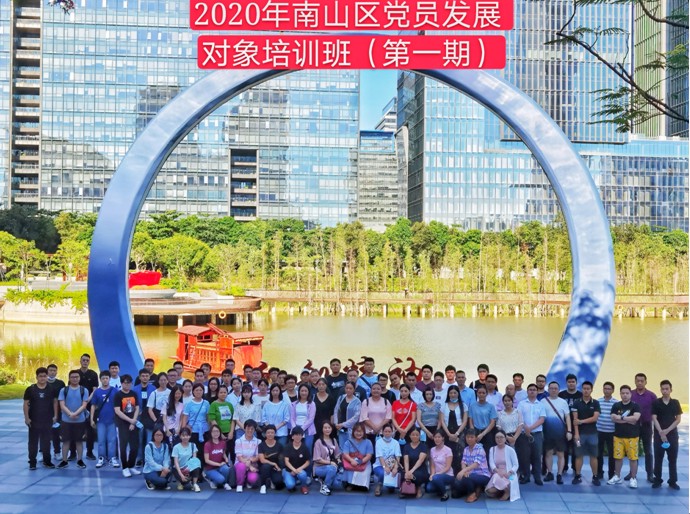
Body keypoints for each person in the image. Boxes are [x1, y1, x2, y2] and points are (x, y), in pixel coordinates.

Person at [23, 367, 58, 470]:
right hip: (34, 420)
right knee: (33, 442)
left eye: (44, 376)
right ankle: (32, 462)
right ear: (36, 377)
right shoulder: (31, 389)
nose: (42, 378)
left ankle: (47, 461)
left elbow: (55, 402)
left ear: (47, 376)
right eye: (40, 376)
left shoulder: (51, 389)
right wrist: (27, 418)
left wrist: (55, 415)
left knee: (46, 441)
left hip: (47, 419)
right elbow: (26, 404)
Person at [607, 385, 641, 488]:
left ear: (630, 394)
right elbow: (613, 418)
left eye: (627, 393)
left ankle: (633, 478)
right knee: (618, 457)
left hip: (632, 437)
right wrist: (628, 420)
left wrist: (621, 418)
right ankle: (617, 476)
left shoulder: (635, 406)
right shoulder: (616, 405)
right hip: (618, 436)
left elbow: (635, 419)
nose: (625, 395)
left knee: (633, 458)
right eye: (623, 393)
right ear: (620, 394)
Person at [652, 380, 682, 490]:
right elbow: (654, 418)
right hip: (658, 435)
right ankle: (657, 480)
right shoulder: (656, 403)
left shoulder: (675, 403)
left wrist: (667, 430)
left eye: (667, 389)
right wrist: (661, 432)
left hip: (672, 435)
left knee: (672, 459)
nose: (665, 391)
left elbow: (678, 419)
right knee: (658, 458)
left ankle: (672, 481)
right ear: (660, 390)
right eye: (663, 389)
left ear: (671, 390)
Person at [57, 369, 90, 470]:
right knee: (65, 441)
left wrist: (75, 414)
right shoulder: (64, 390)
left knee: (79, 441)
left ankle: (80, 460)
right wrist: (70, 414)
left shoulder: (84, 390)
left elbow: (84, 405)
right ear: (69, 378)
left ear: (79, 378)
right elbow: (62, 405)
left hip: (80, 421)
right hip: (66, 421)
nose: (74, 379)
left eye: (76, 377)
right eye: (72, 377)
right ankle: (64, 460)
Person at [541, 381, 572, 484]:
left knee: (560, 454)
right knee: (548, 453)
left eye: (555, 388)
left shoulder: (563, 402)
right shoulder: (543, 401)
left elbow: (567, 417)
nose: (553, 390)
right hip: (547, 432)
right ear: (548, 389)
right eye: (551, 388)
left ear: (558, 390)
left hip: (560, 433)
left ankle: (559, 474)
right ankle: (549, 473)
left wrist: (569, 431)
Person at [572, 380, 601, 485]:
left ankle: (595, 476)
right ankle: (577, 475)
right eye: (584, 389)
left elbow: (595, 418)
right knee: (579, 456)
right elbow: (575, 420)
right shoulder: (576, 402)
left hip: (593, 434)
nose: (586, 391)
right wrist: (576, 434)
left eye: (588, 389)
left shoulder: (596, 403)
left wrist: (581, 421)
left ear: (591, 390)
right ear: (582, 389)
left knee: (593, 456)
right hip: (580, 434)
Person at [451, 428, 491, 503]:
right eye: (468, 437)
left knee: (467, 478)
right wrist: (464, 471)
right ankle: (476, 488)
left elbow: (476, 464)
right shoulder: (466, 449)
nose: (469, 439)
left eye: (472, 437)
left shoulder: (480, 449)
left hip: (482, 474)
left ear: (476, 438)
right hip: (470, 473)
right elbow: (463, 462)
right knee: (455, 493)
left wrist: (463, 471)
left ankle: (473, 493)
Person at [516, 383, 545, 485]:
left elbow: (542, 419)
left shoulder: (540, 404)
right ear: (527, 391)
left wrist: (530, 428)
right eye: (530, 390)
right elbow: (519, 417)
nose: (532, 391)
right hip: (523, 434)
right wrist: (525, 428)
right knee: (524, 456)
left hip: (537, 434)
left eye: (534, 390)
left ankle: (537, 477)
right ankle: (526, 476)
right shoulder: (521, 404)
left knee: (537, 456)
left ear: (537, 392)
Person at [631, 372, 657, 483]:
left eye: (642, 381)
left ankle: (650, 474)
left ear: (646, 382)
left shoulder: (652, 396)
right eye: (638, 381)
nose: (640, 383)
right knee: (633, 450)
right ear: (635, 381)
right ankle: (632, 473)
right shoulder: (630, 394)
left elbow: (656, 412)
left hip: (647, 426)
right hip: (633, 426)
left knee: (648, 451)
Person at [113, 374, 141, 477]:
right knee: (123, 447)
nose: (127, 384)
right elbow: (117, 411)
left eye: (129, 383)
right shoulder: (118, 395)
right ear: (121, 383)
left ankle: (131, 465)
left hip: (133, 423)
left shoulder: (133, 393)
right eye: (125, 383)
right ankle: (124, 467)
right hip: (122, 424)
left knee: (134, 446)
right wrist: (130, 421)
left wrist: (133, 421)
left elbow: (137, 408)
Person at [90, 370, 117, 469]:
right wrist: (91, 419)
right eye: (103, 378)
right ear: (100, 380)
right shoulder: (97, 391)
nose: (105, 380)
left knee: (112, 440)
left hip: (112, 420)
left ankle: (112, 458)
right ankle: (101, 458)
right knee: (101, 440)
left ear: (109, 379)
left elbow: (118, 405)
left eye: (106, 378)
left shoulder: (114, 390)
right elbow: (93, 406)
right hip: (100, 420)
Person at [485, 430, 520, 501]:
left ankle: (507, 492)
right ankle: (505, 489)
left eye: (501, 437)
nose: (499, 439)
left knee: (497, 477)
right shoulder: (492, 449)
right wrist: (498, 471)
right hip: (497, 472)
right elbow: (491, 463)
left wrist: (509, 472)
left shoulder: (510, 450)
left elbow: (516, 465)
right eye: (497, 437)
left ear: (505, 438)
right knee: (489, 492)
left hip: (509, 474)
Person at [76, 353, 99, 461]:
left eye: (87, 360)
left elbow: (95, 390)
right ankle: (73, 452)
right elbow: (72, 387)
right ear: (80, 361)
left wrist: (87, 400)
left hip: (90, 405)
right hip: (77, 404)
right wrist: (80, 401)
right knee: (76, 428)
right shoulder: (75, 373)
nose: (85, 362)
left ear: (89, 362)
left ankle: (90, 452)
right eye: (83, 360)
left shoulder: (93, 374)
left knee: (90, 429)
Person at [181, 384, 210, 466]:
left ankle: (202, 468)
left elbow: (208, 418)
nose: (198, 392)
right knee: (194, 450)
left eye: (200, 390)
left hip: (204, 431)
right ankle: (193, 468)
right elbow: (185, 418)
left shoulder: (206, 403)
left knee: (203, 450)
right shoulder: (189, 404)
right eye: (196, 390)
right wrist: (184, 430)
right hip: (192, 430)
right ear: (193, 391)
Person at [558, 373, 582, 474]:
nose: (571, 383)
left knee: (577, 447)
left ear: (576, 383)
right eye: (569, 382)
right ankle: (564, 467)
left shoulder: (581, 395)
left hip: (578, 427)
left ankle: (576, 467)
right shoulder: (561, 395)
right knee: (564, 448)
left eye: (573, 382)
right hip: (563, 426)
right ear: (566, 383)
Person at [133, 368, 156, 467]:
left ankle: (148, 459)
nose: (145, 378)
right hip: (139, 417)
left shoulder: (154, 389)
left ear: (149, 377)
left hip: (150, 417)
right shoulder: (134, 389)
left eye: (146, 376)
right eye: (143, 376)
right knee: (139, 439)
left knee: (149, 440)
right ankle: (139, 458)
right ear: (139, 377)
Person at [341, 422, 373, 491]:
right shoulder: (348, 442)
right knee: (350, 469)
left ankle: (360, 486)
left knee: (364, 474)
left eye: (360, 431)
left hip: (364, 462)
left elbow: (369, 455)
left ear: (364, 432)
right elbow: (345, 454)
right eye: (357, 431)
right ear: (353, 432)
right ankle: (350, 484)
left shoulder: (368, 442)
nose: (358, 433)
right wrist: (352, 460)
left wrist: (360, 461)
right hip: (351, 462)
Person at [313, 421, 342, 495]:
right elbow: (317, 459)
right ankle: (325, 486)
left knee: (337, 484)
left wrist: (338, 460)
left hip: (332, 466)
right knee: (332, 469)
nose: (327, 429)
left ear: (331, 429)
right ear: (322, 429)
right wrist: (330, 463)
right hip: (319, 467)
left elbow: (337, 454)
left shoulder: (334, 440)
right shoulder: (318, 442)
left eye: (329, 427)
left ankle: (324, 479)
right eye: (325, 428)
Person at [204, 424, 236, 490]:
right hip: (210, 469)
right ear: (211, 433)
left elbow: (223, 453)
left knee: (226, 469)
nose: (216, 433)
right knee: (221, 479)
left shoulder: (223, 443)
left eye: (217, 431)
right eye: (214, 431)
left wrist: (226, 458)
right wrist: (218, 464)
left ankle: (221, 483)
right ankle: (214, 481)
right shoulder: (207, 444)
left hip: (220, 466)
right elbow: (206, 460)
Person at [596, 381, 617, 481]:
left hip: (612, 432)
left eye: (609, 389)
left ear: (613, 390)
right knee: (598, 453)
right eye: (605, 388)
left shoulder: (616, 403)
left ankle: (611, 473)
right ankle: (599, 472)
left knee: (612, 454)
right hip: (599, 431)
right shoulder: (598, 401)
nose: (607, 391)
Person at [372, 424, 401, 496]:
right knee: (383, 473)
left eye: (389, 431)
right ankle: (379, 485)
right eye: (385, 431)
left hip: (392, 466)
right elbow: (380, 457)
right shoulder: (379, 442)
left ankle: (390, 485)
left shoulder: (396, 442)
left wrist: (395, 468)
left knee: (391, 489)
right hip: (379, 466)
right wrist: (385, 467)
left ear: (392, 432)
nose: (387, 433)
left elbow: (398, 456)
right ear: (382, 432)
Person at [497, 394, 526, 463]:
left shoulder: (517, 412)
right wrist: (507, 437)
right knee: (507, 458)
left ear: (512, 402)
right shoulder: (500, 414)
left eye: (509, 400)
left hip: (517, 437)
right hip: (505, 438)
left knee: (520, 457)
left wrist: (514, 438)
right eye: (505, 401)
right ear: (503, 402)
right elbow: (499, 427)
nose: (507, 402)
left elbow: (520, 425)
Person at [425, 431, 454, 501]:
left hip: (448, 475)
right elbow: (432, 465)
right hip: (436, 476)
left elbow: (448, 467)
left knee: (436, 478)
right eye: (435, 437)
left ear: (443, 438)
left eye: (439, 437)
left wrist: (436, 474)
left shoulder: (448, 450)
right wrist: (432, 474)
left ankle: (445, 494)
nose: (437, 439)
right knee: (428, 488)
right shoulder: (432, 450)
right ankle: (442, 487)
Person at [172, 426, 202, 492]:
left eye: (187, 435)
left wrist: (188, 469)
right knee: (185, 483)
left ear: (190, 436)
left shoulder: (193, 445)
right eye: (183, 435)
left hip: (188, 468)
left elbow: (194, 460)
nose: (185, 437)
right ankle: (180, 482)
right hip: (179, 469)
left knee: (197, 463)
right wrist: (181, 475)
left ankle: (195, 484)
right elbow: (176, 463)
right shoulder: (176, 447)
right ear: (180, 436)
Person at [401, 427, 429, 498]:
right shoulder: (406, 446)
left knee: (415, 475)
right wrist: (407, 472)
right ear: (410, 436)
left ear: (419, 436)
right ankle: (406, 490)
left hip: (420, 469)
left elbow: (420, 460)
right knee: (402, 474)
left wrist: (411, 471)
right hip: (409, 468)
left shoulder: (423, 446)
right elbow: (406, 461)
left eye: (417, 435)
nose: (415, 436)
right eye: (413, 435)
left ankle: (418, 488)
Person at [468, 384, 498, 451]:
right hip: (475, 432)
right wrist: (473, 433)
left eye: (483, 393)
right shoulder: (472, 406)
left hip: (487, 432)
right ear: (477, 394)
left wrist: (482, 434)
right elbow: (470, 421)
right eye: (479, 393)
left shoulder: (491, 406)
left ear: (486, 394)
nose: (481, 394)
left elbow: (492, 422)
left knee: (488, 452)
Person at [282, 426, 312, 494]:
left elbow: (308, 462)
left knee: (303, 475)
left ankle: (303, 486)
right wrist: (294, 470)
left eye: (299, 435)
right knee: (290, 485)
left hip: (300, 470)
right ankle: (287, 476)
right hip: (289, 470)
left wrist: (298, 470)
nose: (298, 437)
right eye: (296, 435)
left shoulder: (305, 448)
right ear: (292, 436)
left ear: (302, 436)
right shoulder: (288, 447)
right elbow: (286, 461)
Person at [334, 381, 363, 449]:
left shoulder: (357, 401)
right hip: (340, 429)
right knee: (342, 448)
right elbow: (336, 410)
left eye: (350, 388)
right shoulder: (341, 398)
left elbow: (356, 417)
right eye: (347, 388)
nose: (348, 390)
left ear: (354, 389)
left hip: (351, 429)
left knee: (352, 448)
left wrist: (343, 424)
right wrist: (336, 423)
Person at [234, 419, 260, 491]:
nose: (250, 430)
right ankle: (240, 484)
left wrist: (250, 462)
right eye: (248, 428)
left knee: (253, 479)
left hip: (253, 464)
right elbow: (239, 457)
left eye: (252, 429)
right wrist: (249, 465)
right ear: (244, 428)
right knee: (241, 466)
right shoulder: (238, 441)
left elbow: (257, 457)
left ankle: (246, 479)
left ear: (254, 430)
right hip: (240, 464)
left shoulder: (258, 441)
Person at [46, 364, 66, 460]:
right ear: (47, 371)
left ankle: (57, 452)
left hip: (57, 411)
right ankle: (43, 452)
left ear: (57, 372)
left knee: (56, 433)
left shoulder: (60, 383)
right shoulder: (43, 382)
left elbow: (64, 397)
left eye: (54, 370)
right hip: (44, 411)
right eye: (50, 370)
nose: (52, 372)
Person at [290, 384, 317, 455]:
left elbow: (311, 419)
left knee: (307, 450)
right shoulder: (294, 404)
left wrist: (301, 429)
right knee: (296, 451)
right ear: (299, 392)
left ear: (308, 392)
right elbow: (292, 418)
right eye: (302, 391)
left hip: (308, 430)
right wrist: (295, 429)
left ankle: (309, 463)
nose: (304, 393)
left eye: (305, 391)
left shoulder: (312, 404)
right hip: (296, 429)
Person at [258, 424, 285, 494]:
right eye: (268, 432)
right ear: (265, 434)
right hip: (264, 467)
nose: (270, 434)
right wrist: (273, 463)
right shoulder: (261, 445)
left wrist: (280, 468)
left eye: (272, 433)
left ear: (275, 434)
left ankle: (271, 480)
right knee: (266, 466)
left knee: (279, 483)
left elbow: (281, 459)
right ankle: (263, 485)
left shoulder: (279, 446)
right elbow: (262, 460)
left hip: (275, 468)